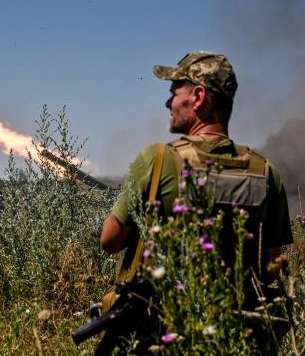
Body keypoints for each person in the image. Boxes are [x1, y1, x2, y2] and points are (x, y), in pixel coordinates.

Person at [99, 51, 293, 352]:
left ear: (199, 97)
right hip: (237, 338)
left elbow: (109, 240)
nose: (168, 103)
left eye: (174, 92)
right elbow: (270, 268)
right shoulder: (265, 172)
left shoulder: (158, 159)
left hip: (164, 333)